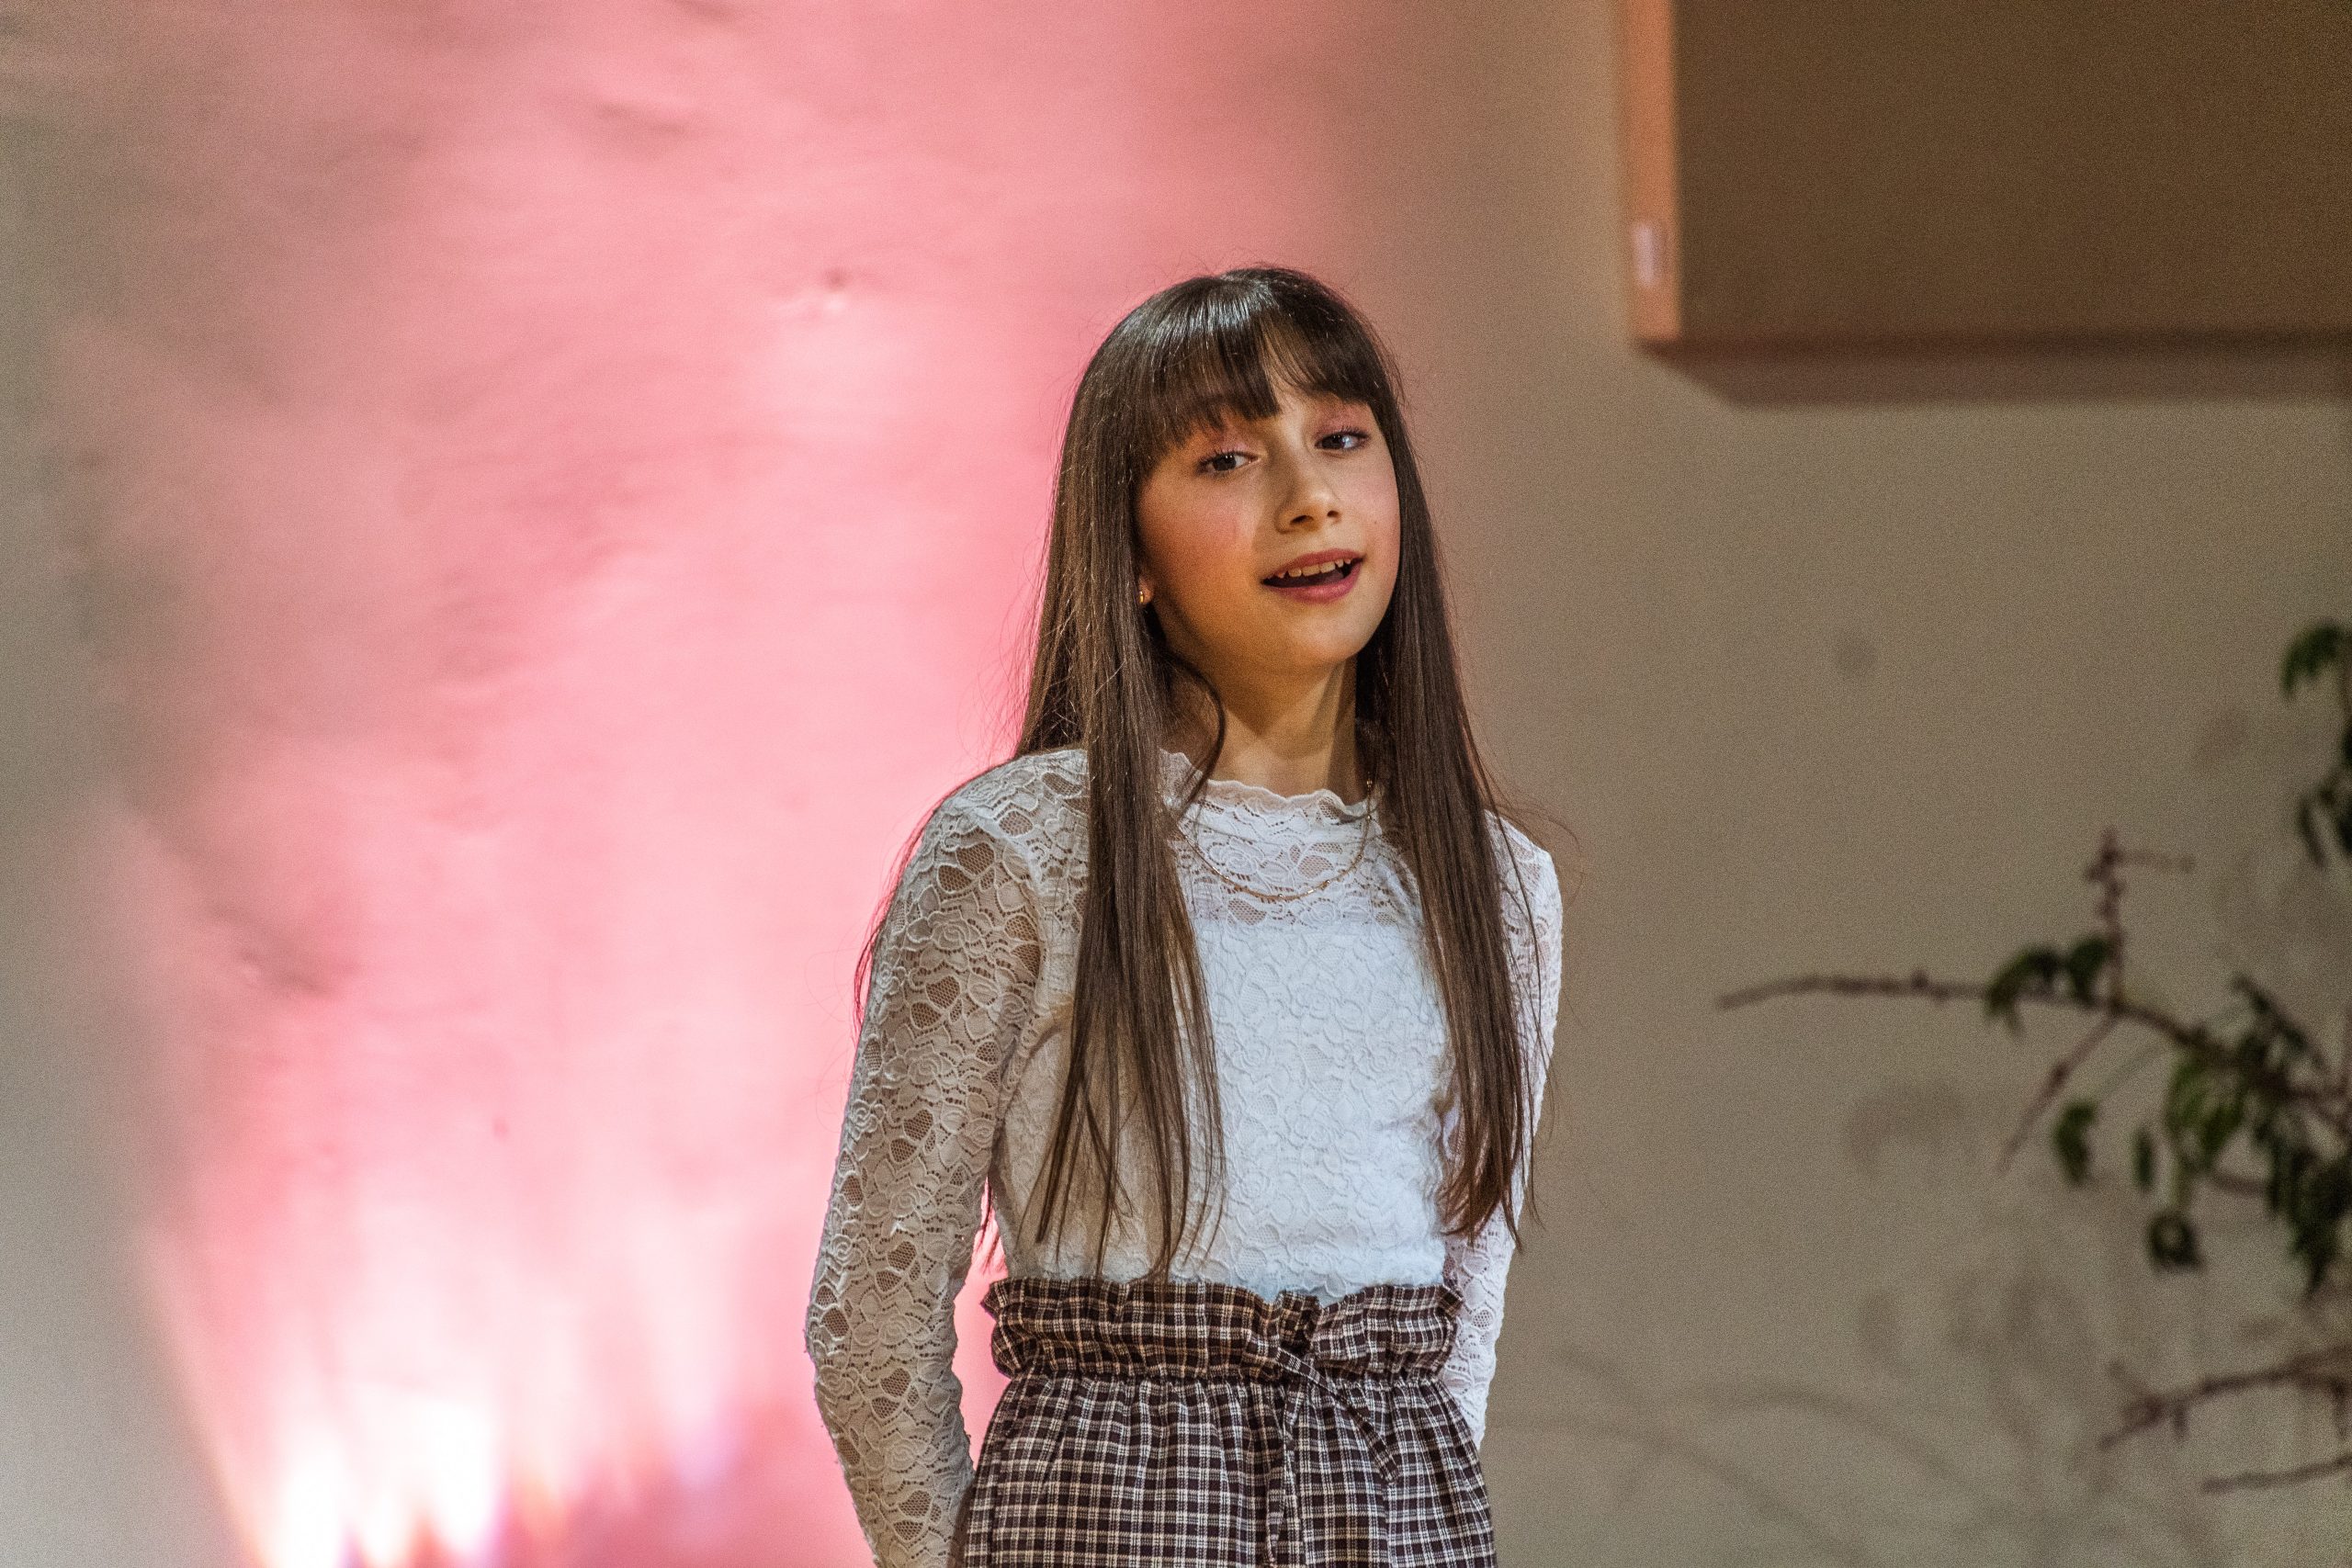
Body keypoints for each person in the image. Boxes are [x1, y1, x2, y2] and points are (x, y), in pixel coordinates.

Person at [804, 265, 1566, 1568]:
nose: (1308, 495)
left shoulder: (1493, 882)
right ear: (1134, 554)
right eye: (1227, 459)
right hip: (1105, 1516)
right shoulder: (1025, 850)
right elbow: (872, 1318)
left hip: (1395, 1518)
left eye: (1341, 439)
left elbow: (1466, 1309)